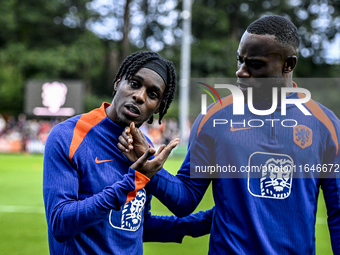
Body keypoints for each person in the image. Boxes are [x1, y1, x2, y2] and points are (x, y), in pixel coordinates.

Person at [119, 16, 340, 254]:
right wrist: (153, 170)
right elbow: (186, 198)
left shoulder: (326, 126)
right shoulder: (214, 118)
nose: (240, 72)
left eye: (254, 64)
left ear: (288, 64)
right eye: (240, 60)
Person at [43, 51, 214, 255]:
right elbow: (60, 224)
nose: (140, 96)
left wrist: (211, 220)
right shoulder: (69, 136)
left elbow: (137, 224)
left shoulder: (143, 148)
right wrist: (133, 181)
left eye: (152, 94)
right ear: (118, 82)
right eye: (134, 83)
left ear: (158, 106)